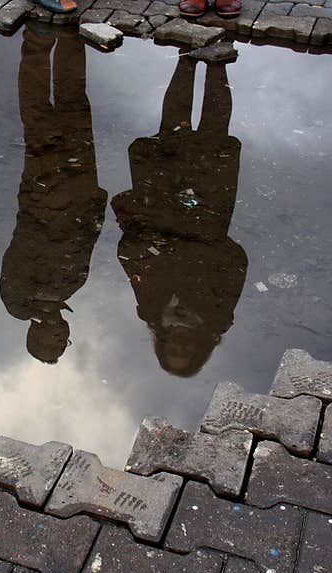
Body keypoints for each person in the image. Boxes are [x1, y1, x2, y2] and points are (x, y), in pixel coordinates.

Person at [111, 51, 247, 376]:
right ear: (200, 346)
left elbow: (128, 255)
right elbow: (237, 260)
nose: (180, 343)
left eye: (173, 348)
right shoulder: (217, 313)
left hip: (162, 204)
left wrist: (141, 232)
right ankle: (217, 63)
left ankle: (186, 57)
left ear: (163, 342)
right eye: (187, 350)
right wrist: (201, 247)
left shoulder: (151, 309)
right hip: (209, 210)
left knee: (172, 128)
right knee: (215, 128)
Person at [0, 24, 107, 364]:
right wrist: (96, 200)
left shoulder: (18, 302)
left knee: (38, 115)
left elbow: (26, 244)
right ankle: (70, 38)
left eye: (55, 339)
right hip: (80, 187)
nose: (63, 333)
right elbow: (86, 239)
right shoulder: (68, 291)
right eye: (65, 339)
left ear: (37, 335)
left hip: (45, 192)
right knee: (75, 106)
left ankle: (38, 40)